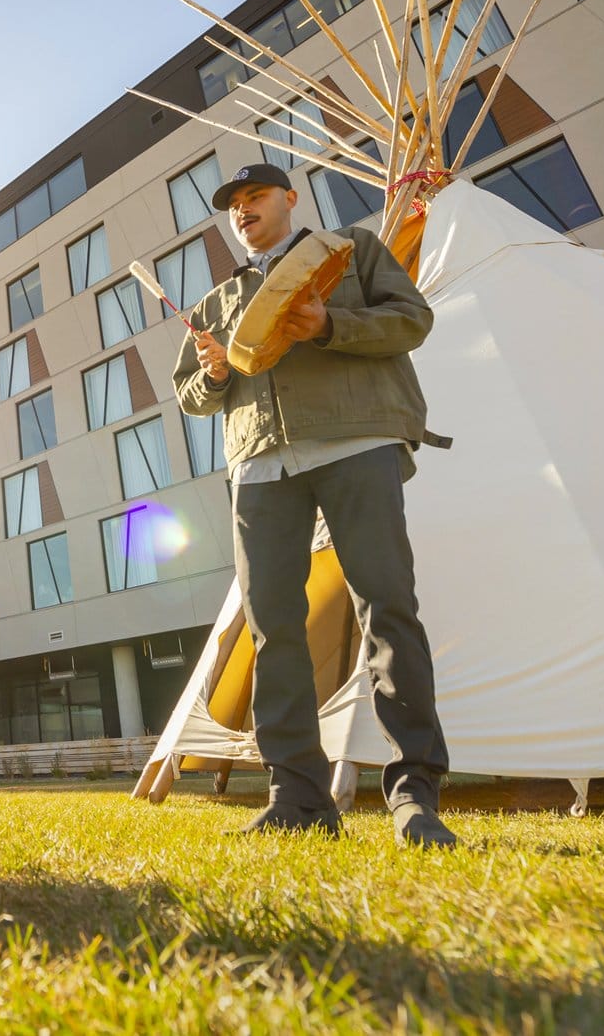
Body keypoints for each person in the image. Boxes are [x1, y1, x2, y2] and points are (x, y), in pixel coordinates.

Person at [173, 163, 455, 848]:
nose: (243, 212)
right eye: (234, 206)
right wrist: (211, 374)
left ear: (289, 200)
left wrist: (330, 323)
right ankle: (297, 796)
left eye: (255, 198)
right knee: (274, 628)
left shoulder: (351, 250)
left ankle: (415, 794)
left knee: (387, 606)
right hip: (259, 466)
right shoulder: (214, 304)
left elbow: (412, 320)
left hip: (355, 441)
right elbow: (190, 394)